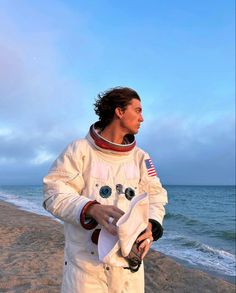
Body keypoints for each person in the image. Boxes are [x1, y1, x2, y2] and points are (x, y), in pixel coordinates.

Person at [43, 87, 168, 293]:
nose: (142, 118)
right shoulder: (79, 150)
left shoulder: (141, 158)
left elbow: (156, 195)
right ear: (119, 112)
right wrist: (90, 208)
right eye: (137, 110)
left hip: (128, 266)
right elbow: (53, 193)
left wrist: (151, 225)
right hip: (85, 267)